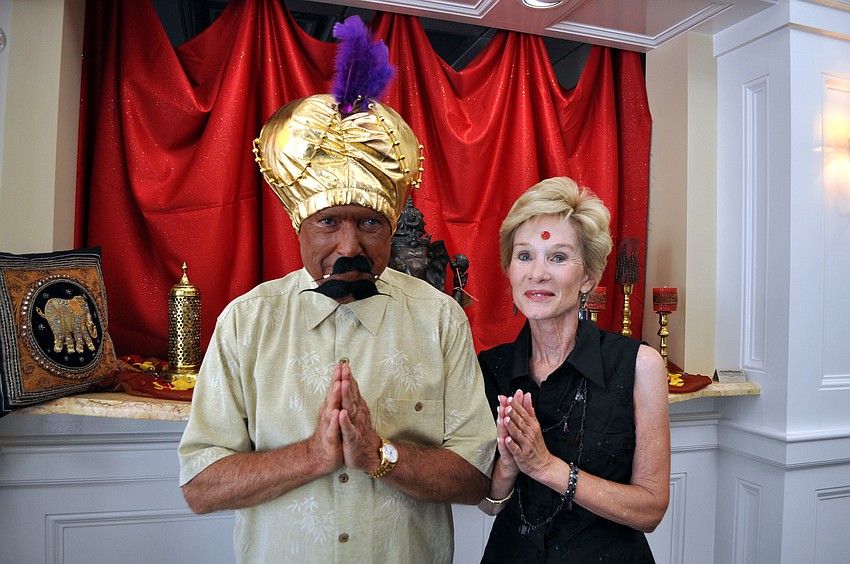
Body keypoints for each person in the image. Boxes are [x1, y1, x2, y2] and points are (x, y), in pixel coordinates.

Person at [178, 17, 496, 564]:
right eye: (329, 222)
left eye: (369, 224)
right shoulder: (246, 323)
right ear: (298, 226)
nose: (350, 245)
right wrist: (312, 456)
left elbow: (475, 478)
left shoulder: (441, 319)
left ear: (393, 228)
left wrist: (381, 455)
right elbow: (201, 486)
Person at [477, 177, 670, 562]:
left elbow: (650, 510)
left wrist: (547, 467)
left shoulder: (637, 365)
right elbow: (490, 505)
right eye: (525, 255)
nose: (538, 273)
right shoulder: (490, 368)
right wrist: (509, 468)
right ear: (510, 270)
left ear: (589, 277)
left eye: (559, 257)